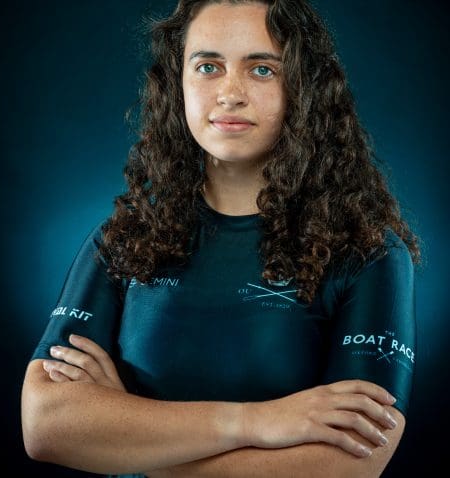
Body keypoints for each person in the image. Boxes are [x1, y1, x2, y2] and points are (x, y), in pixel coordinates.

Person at [21, 1, 423, 477]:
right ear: (178, 83)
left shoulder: (367, 251)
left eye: (262, 70)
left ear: (304, 87)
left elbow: (350, 464)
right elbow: (46, 425)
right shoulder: (127, 237)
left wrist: (129, 440)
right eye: (208, 67)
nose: (230, 94)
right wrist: (257, 421)